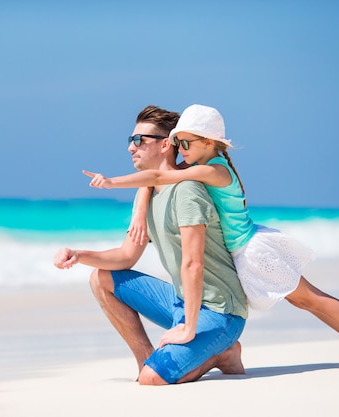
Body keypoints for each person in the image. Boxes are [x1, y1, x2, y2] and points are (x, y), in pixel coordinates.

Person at [84, 103, 339, 364]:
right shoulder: (205, 161)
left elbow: (157, 175)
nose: (180, 150)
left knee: (309, 299)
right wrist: (140, 209)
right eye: (178, 143)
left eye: (186, 144)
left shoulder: (212, 169)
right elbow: (157, 178)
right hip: (243, 247)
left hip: (251, 251)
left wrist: (111, 182)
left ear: (208, 142)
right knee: (306, 300)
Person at [54, 105, 249, 385]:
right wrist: (79, 254)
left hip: (220, 312)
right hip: (182, 303)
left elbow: (194, 264)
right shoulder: (149, 194)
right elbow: (125, 257)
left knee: (153, 380)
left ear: (165, 145)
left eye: (139, 141)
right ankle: (147, 362)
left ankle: (223, 353)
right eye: (130, 141)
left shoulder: (187, 191)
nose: (131, 148)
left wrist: (189, 329)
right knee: (101, 278)